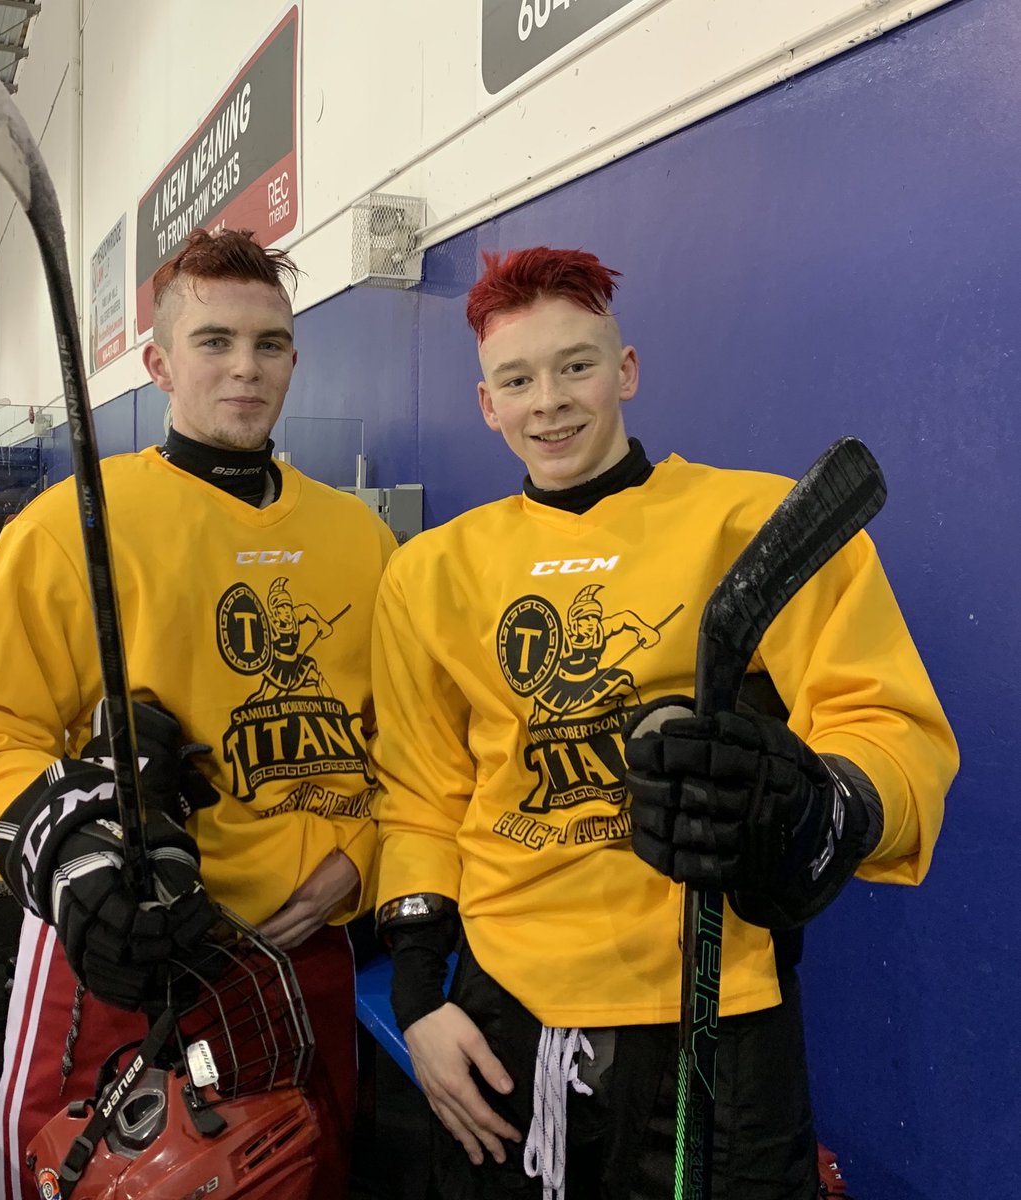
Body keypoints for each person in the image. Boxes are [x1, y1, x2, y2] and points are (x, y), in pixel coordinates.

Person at [370, 247, 958, 1200]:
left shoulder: (757, 522)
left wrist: (823, 807)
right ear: (488, 404)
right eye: (517, 379)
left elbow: (887, 726)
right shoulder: (430, 572)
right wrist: (417, 998)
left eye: (577, 366)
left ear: (627, 371)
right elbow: (421, 795)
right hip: (505, 1007)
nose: (549, 401)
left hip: (715, 1011)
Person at [0, 228, 398, 1200]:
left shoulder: (361, 538)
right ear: (159, 362)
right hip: (123, 958)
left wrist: (362, 856)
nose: (245, 367)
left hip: (304, 960)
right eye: (214, 341)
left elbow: (410, 748)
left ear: (295, 359)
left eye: (268, 344)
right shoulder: (72, 526)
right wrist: (73, 857)